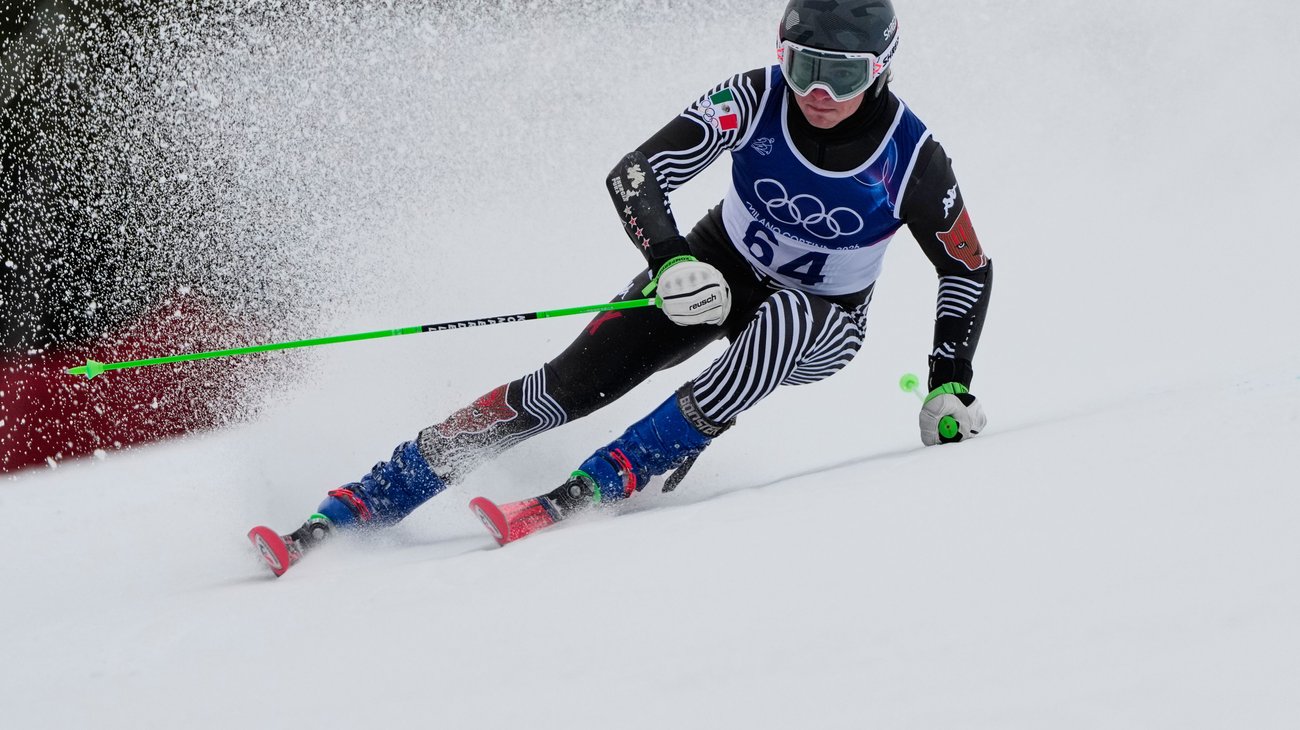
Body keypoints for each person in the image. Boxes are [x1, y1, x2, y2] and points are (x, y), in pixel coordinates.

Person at [249, 0, 992, 573]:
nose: (819, 92)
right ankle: (367, 498)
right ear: (780, 57)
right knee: (563, 386)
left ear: (882, 69)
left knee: (785, 321)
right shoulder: (754, 98)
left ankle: (603, 478)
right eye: (803, 68)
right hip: (714, 265)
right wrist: (670, 260)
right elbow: (636, 173)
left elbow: (966, 266)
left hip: (826, 318)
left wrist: (947, 381)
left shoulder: (913, 158)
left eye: (845, 74)